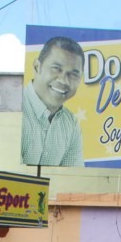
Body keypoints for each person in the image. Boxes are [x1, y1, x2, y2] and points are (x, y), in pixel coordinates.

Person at [21, 36, 84, 167]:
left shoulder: (70, 124)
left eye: (73, 74)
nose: (64, 80)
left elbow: (71, 178)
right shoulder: (16, 110)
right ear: (37, 67)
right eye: (56, 68)